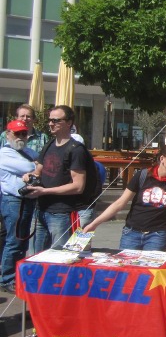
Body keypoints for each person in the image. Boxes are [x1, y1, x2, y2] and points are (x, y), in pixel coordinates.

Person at [83, 144, 166, 251]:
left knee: (151, 267)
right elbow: (120, 203)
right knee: (125, 266)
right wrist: (94, 224)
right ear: (162, 158)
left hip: (157, 235)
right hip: (131, 233)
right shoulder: (143, 175)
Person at [22, 105, 97, 251]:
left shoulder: (76, 150)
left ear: (69, 123)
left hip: (62, 212)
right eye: (50, 120)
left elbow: (78, 186)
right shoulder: (49, 144)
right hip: (42, 209)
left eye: (56, 120)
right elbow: (39, 170)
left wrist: (45, 191)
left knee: (61, 257)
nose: (51, 123)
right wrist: (30, 177)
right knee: (36, 256)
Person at [0, 121, 38, 293]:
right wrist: (36, 168)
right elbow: (30, 167)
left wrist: (36, 169)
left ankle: (15, 274)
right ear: (8, 134)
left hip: (27, 200)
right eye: (17, 134)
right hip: (13, 201)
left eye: (24, 133)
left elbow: (40, 165)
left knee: (22, 241)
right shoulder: (4, 153)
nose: (21, 137)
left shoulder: (27, 152)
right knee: (14, 240)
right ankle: (7, 278)